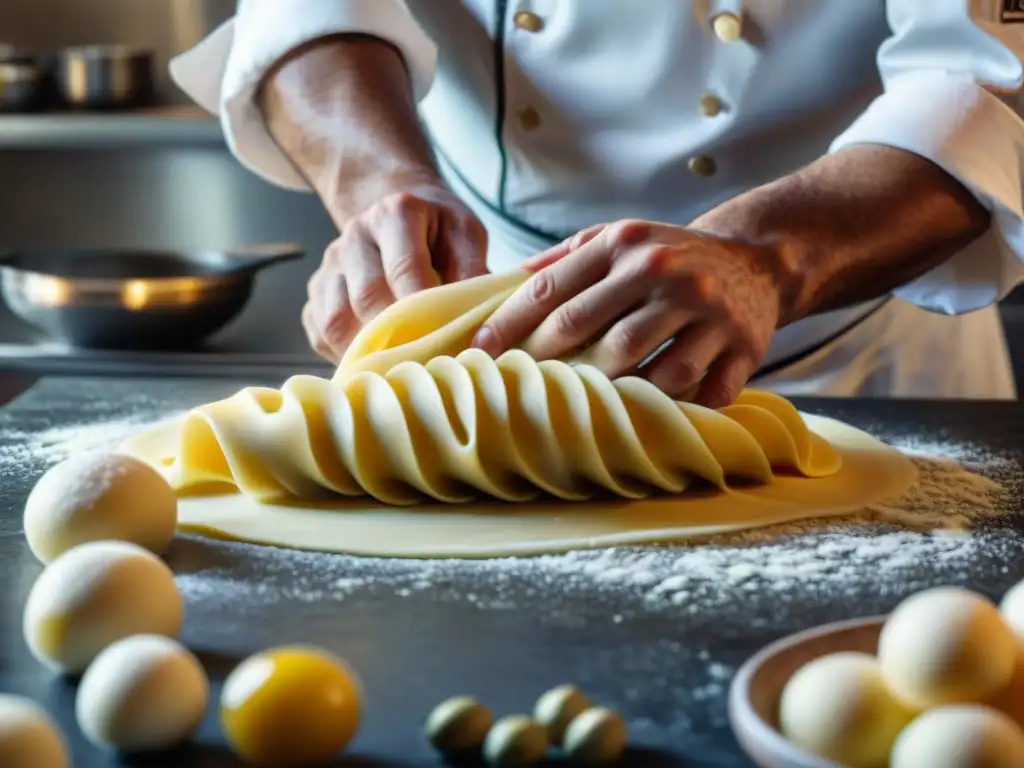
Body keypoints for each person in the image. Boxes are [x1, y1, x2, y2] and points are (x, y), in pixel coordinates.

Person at [170, 1, 1024, 405]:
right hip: (490, 347)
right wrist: (379, 187)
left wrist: (762, 261)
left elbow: (986, 83)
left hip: (850, 353)